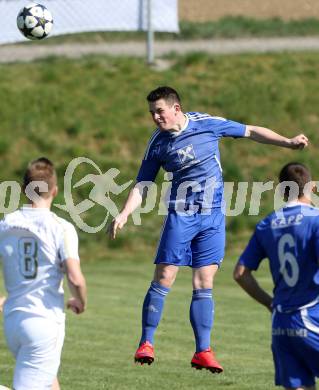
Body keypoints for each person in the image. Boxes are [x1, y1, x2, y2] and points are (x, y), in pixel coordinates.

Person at [108, 86, 308, 373]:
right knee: (165, 275)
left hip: (212, 218)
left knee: (204, 282)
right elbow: (143, 184)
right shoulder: (158, 144)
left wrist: (288, 142)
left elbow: (251, 131)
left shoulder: (207, 124)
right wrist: (125, 212)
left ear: (176, 108)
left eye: (159, 111)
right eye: (151, 113)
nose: (155, 117)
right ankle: (146, 342)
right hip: (181, 215)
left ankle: (203, 350)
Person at [0, 157, 87, 390]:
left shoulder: (6, 224)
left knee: (46, 380)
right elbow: (75, 277)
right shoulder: (61, 227)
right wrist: (79, 300)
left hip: (13, 322)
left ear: (22, 189)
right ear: (55, 190)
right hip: (43, 322)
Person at [234, 162, 319, 390]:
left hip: (281, 323)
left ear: (282, 191)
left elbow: (241, 274)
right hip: (311, 317)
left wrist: (270, 303)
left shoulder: (267, 224)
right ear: (311, 187)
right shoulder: (316, 220)